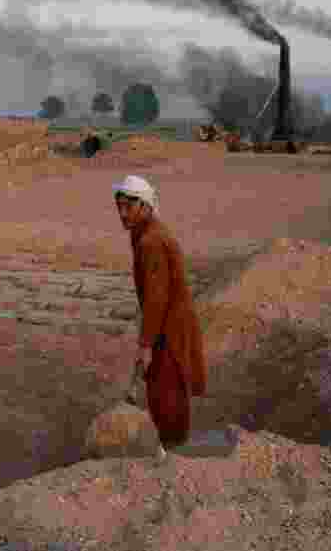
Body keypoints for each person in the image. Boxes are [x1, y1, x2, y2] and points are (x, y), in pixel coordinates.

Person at [113, 174, 207, 461]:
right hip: (164, 319)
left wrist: (146, 344)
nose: (122, 213)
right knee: (164, 387)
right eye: (119, 207)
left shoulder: (151, 241)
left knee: (167, 390)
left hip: (170, 323)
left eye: (129, 207)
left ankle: (172, 456)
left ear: (144, 206)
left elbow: (157, 298)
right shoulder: (142, 232)